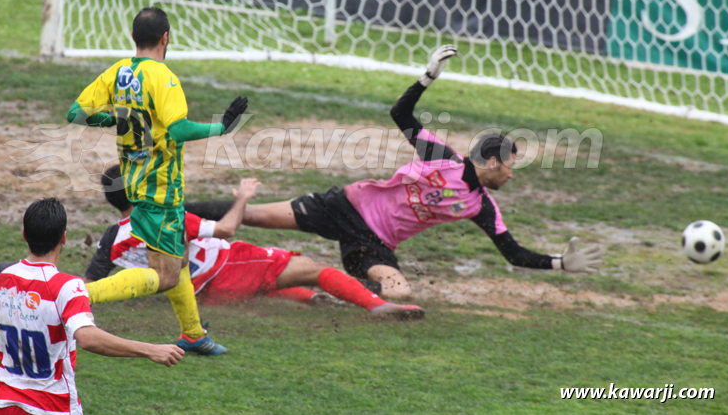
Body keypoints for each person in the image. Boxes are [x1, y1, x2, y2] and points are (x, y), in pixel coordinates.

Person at [185, 45, 604, 299]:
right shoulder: (441, 157)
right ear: (493, 161)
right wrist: (428, 77)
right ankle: (173, 214)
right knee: (253, 215)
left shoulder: (482, 207)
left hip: (374, 242)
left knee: (400, 293)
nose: (513, 174)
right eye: (511, 164)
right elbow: (400, 113)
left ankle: (324, 285)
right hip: (345, 206)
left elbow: (512, 253)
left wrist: (559, 264)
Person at [66, 7, 248, 355]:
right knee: (164, 275)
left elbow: (76, 113)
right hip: (161, 189)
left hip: (136, 182)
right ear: (166, 37)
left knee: (179, 258)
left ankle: (192, 334)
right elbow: (178, 130)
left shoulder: (118, 72)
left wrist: (109, 121)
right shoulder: (164, 78)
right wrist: (221, 127)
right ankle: (75, 293)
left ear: (133, 37)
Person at [85, 165, 424, 320]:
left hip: (205, 294)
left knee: (272, 285)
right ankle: (377, 306)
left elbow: (90, 282)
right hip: (230, 267)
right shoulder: (166, 217)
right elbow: (227, 228)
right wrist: (243, 198)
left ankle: (311, 299)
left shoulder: (113, 237)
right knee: (314, 268)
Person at [0, 198, 183, 415]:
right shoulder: (67, 287)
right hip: (52, 407)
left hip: (6, 406)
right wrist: (150, 350)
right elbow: (88, 338)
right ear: (64, 238)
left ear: (24, 234)